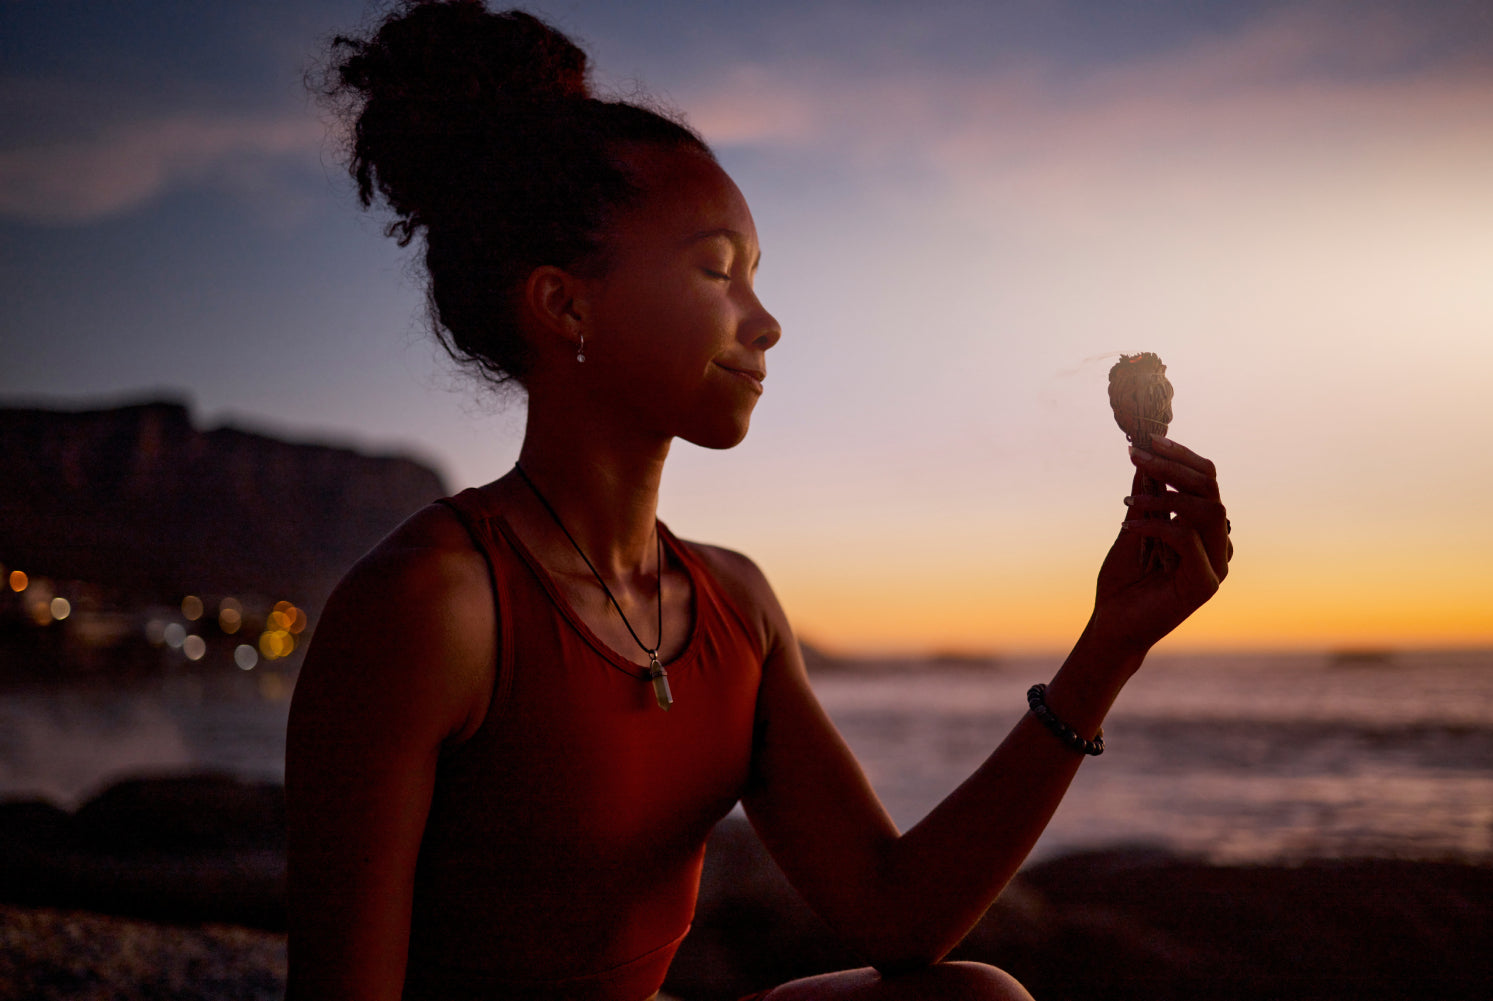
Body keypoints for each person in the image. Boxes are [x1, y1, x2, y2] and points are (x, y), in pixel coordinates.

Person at [283, 3, 1232, 999]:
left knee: (978, 994)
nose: (766, 322)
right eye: (717, 271)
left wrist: (1109, 645)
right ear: (566, 303)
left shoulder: (734, 603)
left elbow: (898, 912)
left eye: (757, 278)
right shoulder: (430, 604)